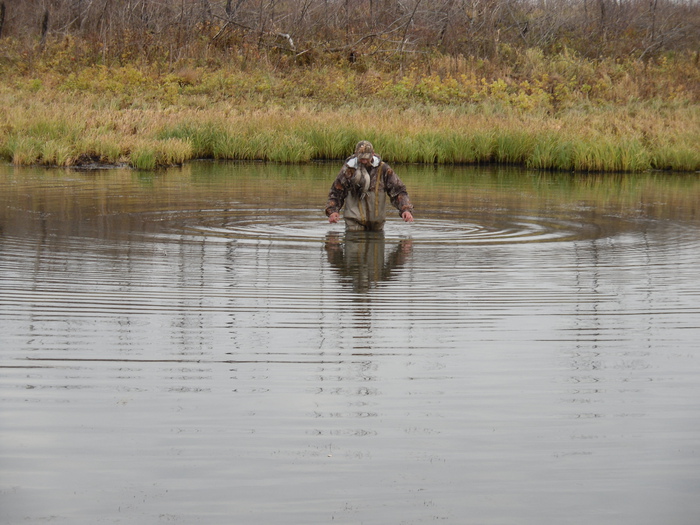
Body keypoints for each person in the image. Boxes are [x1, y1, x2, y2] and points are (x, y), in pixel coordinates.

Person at [325, 141, 414, 231]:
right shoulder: (348, 170)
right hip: (353, 223)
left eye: (367, 158)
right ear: (356, 154)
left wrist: (405, 209)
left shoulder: (384, 169)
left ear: (373, 154)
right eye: (361, 158)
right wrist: (333, 211)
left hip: (377, 225)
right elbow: (336, 192)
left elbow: (399, 191)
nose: (364, 161)